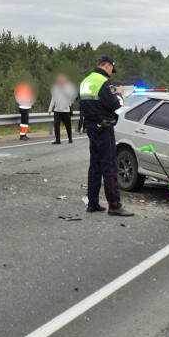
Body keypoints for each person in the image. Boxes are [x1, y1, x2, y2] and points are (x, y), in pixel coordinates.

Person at [79, 56, 133, 217]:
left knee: (94, 167)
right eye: (111, 69)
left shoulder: (85, 82)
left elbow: (82, 103)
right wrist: (120, 94)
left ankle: (93, 203)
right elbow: (115, 104)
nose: (111, 73)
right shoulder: (103, 82)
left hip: (91, 127)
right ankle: (115, 205)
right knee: (109, 167)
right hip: (105, 128)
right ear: (107, 66)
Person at [48, 74, 76, 144]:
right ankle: (58, 140)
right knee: (56, 124)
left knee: (68, 125)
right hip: (57, 110)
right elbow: (53, 99)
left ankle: (70, 138)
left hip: (66, 110)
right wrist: (50, 108)